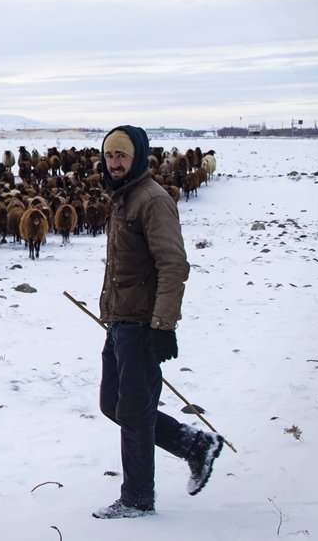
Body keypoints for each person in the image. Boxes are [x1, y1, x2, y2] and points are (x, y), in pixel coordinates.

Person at [92, 125, 224, 519]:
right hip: (120, 320)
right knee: (113, 404)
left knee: (132, 409)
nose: (114, 162)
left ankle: (137, 499)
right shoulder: (123, 197)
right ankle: (194, 445)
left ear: (137, 157)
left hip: (141, 324)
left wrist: (163, 326)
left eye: (122, 155)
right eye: (110, 155)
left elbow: (173, 264)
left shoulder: (152, 199)